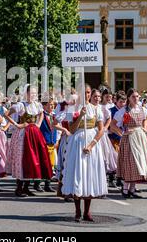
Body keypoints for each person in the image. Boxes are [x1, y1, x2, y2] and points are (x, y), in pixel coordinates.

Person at [62, 84, 107, 222]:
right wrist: (81, 115)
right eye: (84, 92)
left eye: (88, 92)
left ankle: (87, 212)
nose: (87, 95)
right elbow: (72, 129)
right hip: (77, 144)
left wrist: (92, 144)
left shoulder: (96, 109)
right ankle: (77, 211)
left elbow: (100, 130)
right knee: (78, 174)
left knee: (89, 174)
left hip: (91, 145)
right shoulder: (71, 108)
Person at [5, 85, 52, 197]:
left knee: (32, 160)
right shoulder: (21, 105)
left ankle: (26, 187)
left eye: (35, 94)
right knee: (23, 159)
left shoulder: (37, 105)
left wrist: (38, 124)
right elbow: (6, 114)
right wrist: (17, 124)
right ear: (26, 94)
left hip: (34, 133)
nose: (33, 96)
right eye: (31, 93)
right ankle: (19, 188)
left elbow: (41, 114)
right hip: (23, 134)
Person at [113, 88, 147, 199]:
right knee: (131, 162)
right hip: (129, 138)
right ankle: (125, 189)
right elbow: (113, 125)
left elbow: (146, 120)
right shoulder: (124, 111)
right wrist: (122, 132)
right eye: (133, 96)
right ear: (128, 98)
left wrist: (145, 126)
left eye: (137, 96)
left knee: (139, 163)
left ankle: (132, 189)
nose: (136, 98)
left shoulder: (142, 109)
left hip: (140, 137)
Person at [93, 89, 118, 188]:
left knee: (105, 155)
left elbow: (109, 119)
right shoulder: (95, 106)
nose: (108, 98)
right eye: (106, 96)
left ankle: (107, 179)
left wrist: (105, 128)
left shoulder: (106, 108)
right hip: (94, 132)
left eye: (109, 97)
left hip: (102, 133)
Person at [36, 97, 57, 193]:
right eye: (49, 104)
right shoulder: (41, 115)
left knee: (51, 164)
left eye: (53, 104)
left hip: (52, 143)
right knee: (43, 164)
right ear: (44, 106)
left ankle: (47, 184)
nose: (52, 106)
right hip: (44, 142)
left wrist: (57, 140)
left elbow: (56, 128)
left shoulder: (54, 116)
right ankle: (37, 183)